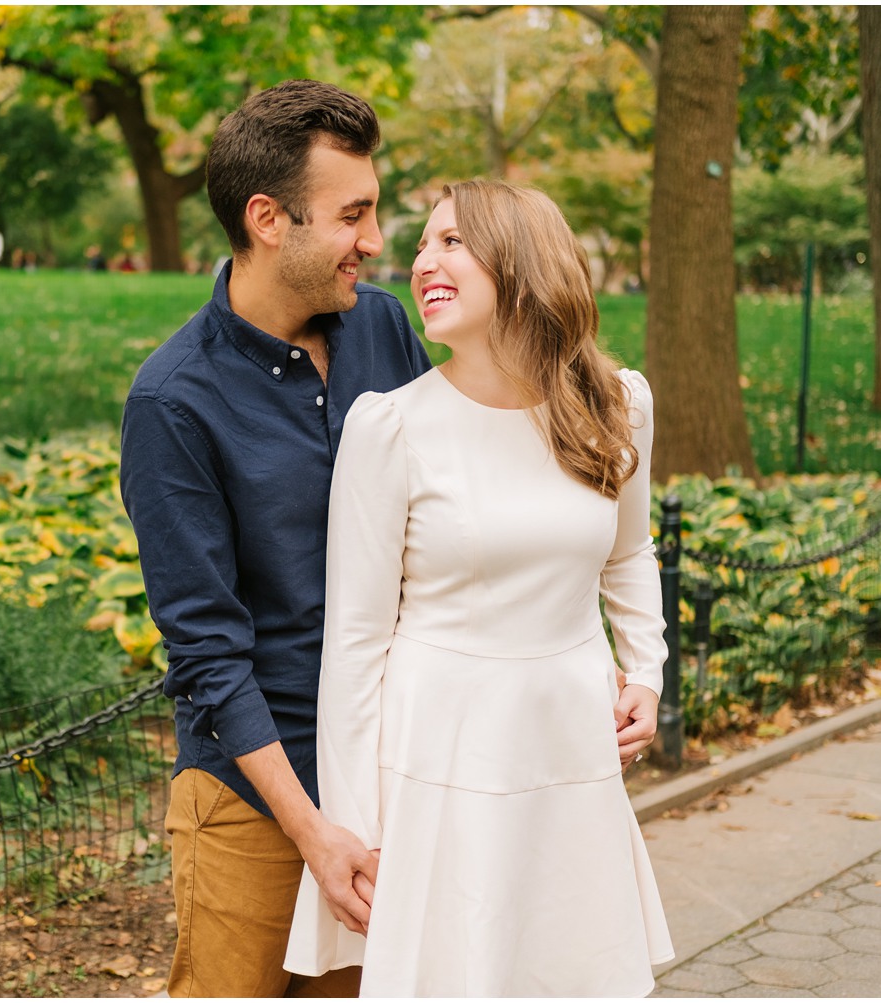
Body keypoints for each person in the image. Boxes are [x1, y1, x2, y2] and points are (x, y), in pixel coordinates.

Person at [285, 180, 673, 997]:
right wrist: (355, 827)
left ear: (522, 266)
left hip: (568, 740)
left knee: (569, 972)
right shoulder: (389, 427)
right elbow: (354, 645)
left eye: (450, 242)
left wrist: (645, 669)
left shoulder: (616, 405)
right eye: (422, 244)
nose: (422, 260)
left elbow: (629, 552)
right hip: (436, 753)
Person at [119, 80, 433, 997]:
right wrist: (312, 829)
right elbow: (208, 655)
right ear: (269, 218)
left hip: (383, 779)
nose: (375, 243)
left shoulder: (383, 329)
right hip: (254, 802)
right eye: (353, 216)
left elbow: (451, 525)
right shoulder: (174, 401)